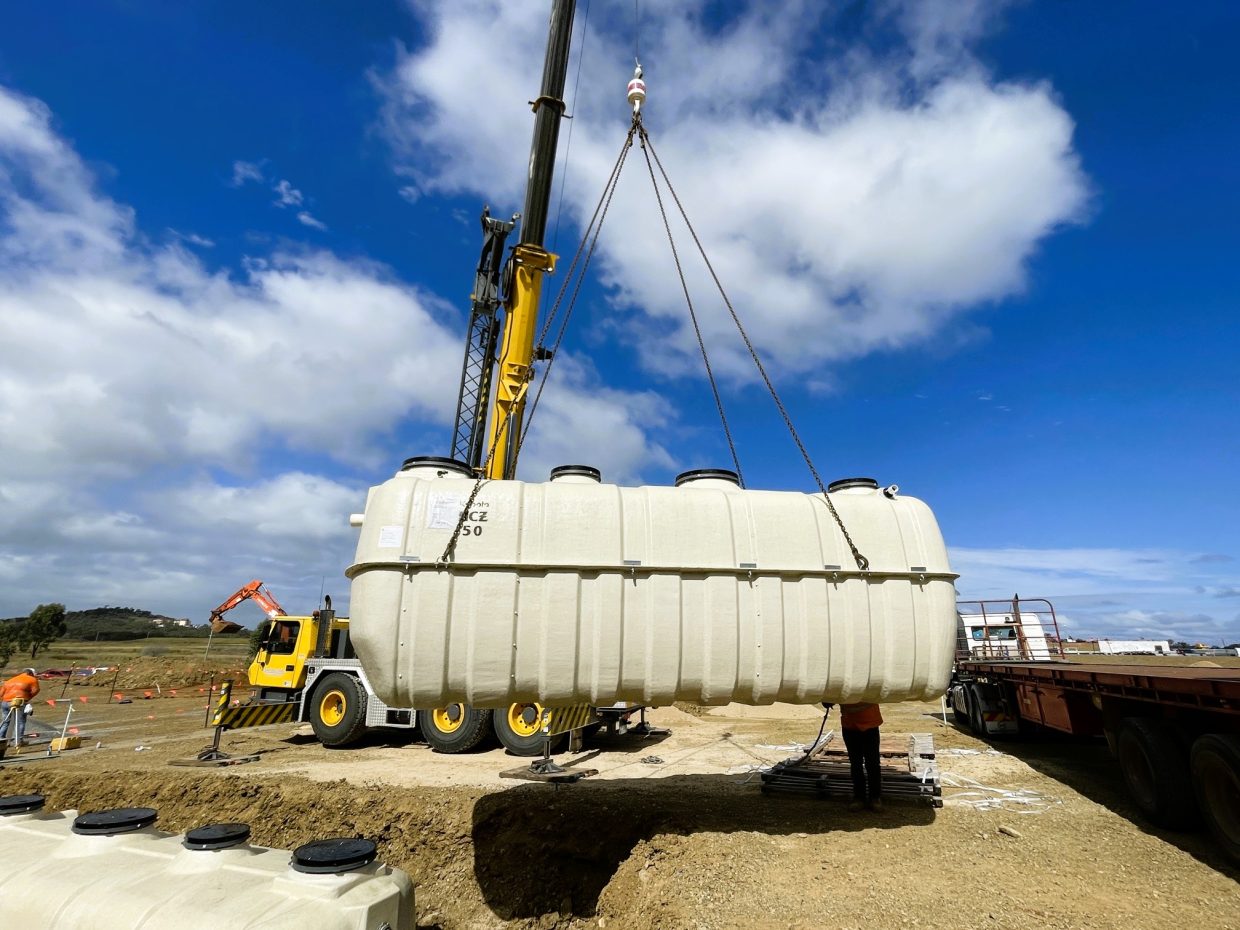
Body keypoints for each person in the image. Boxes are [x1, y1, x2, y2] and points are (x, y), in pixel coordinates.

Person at [839, 701, 884, 812]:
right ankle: (859, 798)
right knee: (856, 763)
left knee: (872, 763)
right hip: (849, 725)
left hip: (870, 724)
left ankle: (875, 798)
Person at [0, 668, 40, 748]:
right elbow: (36, 690)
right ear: (31, 673)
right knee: (21, 721)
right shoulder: (32, 679)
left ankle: (1, 739)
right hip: (19, 701)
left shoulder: (10, 680)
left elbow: (1, 693)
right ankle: (18, 741)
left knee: (5, 721)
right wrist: (27, 698)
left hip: (5, 702)